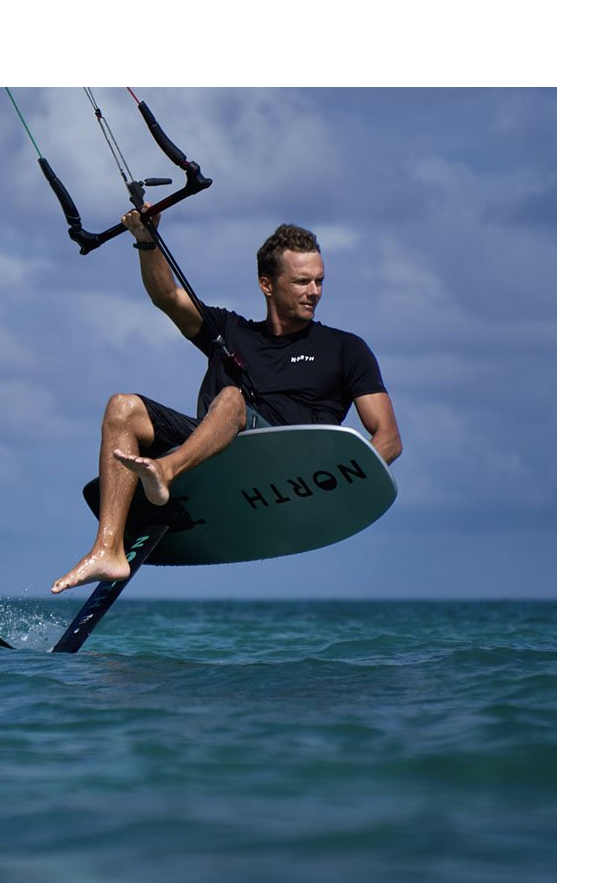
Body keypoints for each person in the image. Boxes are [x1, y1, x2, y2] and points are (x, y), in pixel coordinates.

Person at [51, 207, 402, 594]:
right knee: (122, 408)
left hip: (289, 461)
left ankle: (164, 472)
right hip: (218, 452)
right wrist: (146, 240)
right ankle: (108, 548)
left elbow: (387, 438)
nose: (314, 292)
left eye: (319, 281)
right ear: (267, 284)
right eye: (302, 281)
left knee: (231, 399)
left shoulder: (345, 349)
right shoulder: (229, 331)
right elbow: (167, 296)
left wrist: (335, 488)